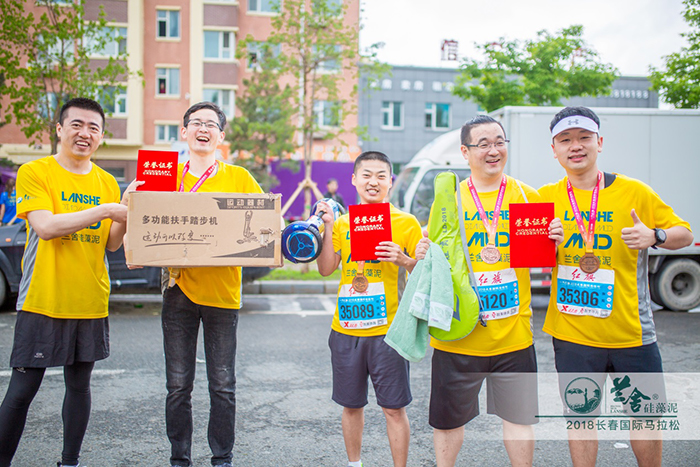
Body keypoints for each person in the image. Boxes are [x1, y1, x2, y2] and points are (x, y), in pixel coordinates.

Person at [541, 106, 693, 467]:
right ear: (555, 149)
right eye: (565, 140)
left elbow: (685, 233)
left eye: (583, 138)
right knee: (580, 419)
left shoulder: (634, 192)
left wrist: (654, 235)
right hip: (573, 334)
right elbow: (518, 250)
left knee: (646, 419)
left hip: (632, 334)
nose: (575, 146)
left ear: (599, 142)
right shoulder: (544, 197)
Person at [0, 97, 139, 467]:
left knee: (79, 387)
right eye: (77, 125)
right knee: (21, 391)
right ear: (59, 129)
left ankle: (70, 462)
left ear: (101, 136)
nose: (85, 133)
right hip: (43, 298)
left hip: (90, 300)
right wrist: (108, 209)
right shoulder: (36, 171)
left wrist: (125, 208)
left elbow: (110, 242)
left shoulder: (107, 181)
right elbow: (45, 228)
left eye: (94, 128)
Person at [414, 115, 541, 467]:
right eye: (483, 144)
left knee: (519, 420)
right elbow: (433, 254)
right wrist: (424, 253)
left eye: (499, 141)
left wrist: (556, 240)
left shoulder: (527, 197)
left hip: (513, 335)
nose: (493, 150)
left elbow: (547, 257)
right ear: (465, 152)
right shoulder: (449, 199)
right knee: (447, 421)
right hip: (458, 333)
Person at [160, 102, 263, 467]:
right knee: (178, 385)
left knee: (223, 385)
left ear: (221, 135)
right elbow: (142, 223)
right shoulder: (166, 175)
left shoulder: (239, 177)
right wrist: (130, 203)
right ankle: (180, 459)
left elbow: (265, 225)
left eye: (211, 124)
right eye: (196, 123)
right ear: (183, 131)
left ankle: (222, 458)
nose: (203, 129)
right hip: (178, 291)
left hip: (222, 293)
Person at [316, 151, 422, 467]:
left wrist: (404, 260)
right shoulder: (343, 224)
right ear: (354, 180)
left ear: (390, 181)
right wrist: (327, 227)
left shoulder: (406, 223)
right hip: (346, 330)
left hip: (389, 332)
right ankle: (354, 464)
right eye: (366, 175)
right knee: (351, 406)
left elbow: (424, 277)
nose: (373, 182)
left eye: (380, 176)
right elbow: (326, 268)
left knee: (394, 408)